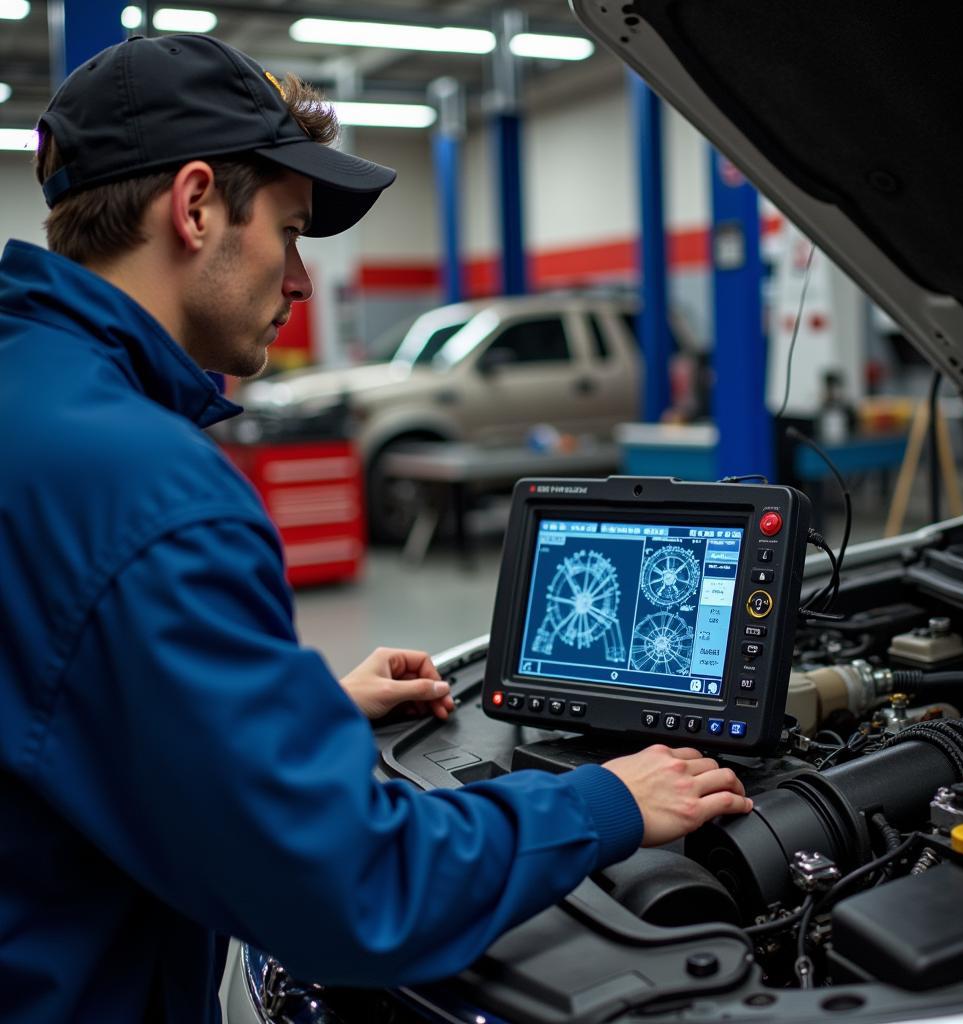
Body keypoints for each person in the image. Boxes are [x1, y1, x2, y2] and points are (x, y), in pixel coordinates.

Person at [0, 34, 752, 1023]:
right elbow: (351, 889)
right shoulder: (152, 491)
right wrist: (607, 801)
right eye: (291, 231)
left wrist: (288, 711)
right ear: (192, 207)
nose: (302, 281)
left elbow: (55, 689)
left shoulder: (30, 401)